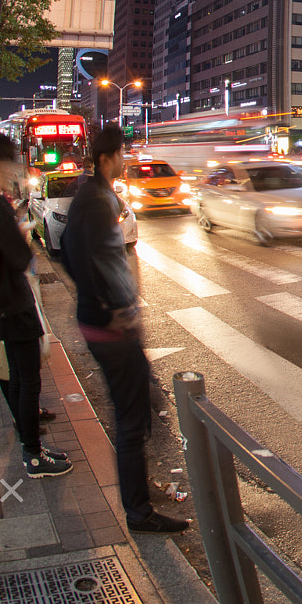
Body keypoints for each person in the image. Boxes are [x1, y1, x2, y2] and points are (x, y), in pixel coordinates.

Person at [62, 126, 190, 533]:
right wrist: (115, 308)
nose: (125, 159)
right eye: (120, 153)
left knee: (137, 412)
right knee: (132, 418)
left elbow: (69, 251)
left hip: (104, 322)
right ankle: (138, 511)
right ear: (105, 158)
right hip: (111, 329)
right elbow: (99, 261)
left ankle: (140, 489)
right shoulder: (98, 201)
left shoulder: (93, 196)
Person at [0, 132, 71, 479]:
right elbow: (20, 256)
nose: (14, 169)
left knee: (18, 378)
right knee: (28, 382)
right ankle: (33, 454)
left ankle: (31, 447)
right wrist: (23, 235)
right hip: (12, 305)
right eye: (11, 161)